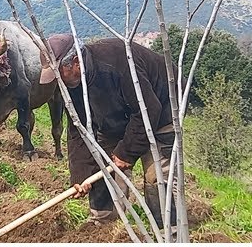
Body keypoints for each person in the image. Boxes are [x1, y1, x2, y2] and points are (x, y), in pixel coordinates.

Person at [62, 37, 175, 226]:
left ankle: (167, 229)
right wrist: (80, 175)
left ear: (75, 62)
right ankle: (103, 223)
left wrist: (127, 152)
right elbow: (77, 128)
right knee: (103, 166)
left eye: (58, 72)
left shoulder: (118, 63)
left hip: (161, 109)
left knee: (156, 175)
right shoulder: (69, 83)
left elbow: (148, 109)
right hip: (115, 118)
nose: (56, 80)